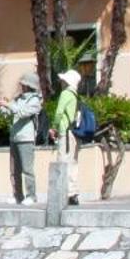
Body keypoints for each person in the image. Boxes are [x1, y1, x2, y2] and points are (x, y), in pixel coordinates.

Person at [4, 71, 44, 204]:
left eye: (23, 84)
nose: (21, 86)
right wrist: (1, 106)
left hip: (26, 138)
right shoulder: (18, 99)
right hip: (14, 137)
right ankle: (17, 195)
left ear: (29, 85)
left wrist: (8, 105)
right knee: (14, 170)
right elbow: (8, 113)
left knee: (27, 170)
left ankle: (31, 196)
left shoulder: (35, 101)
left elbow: (22, 113)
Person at [49, 68, 82, 205]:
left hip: (65, 132)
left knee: (62, 161)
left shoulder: (65, 94)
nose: (61, 82)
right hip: (74, 133)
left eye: (63, 80)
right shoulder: (75, 95)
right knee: (73, 163)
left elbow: (58, 113)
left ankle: (64, 193)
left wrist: (54, 127)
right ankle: (73, 193)